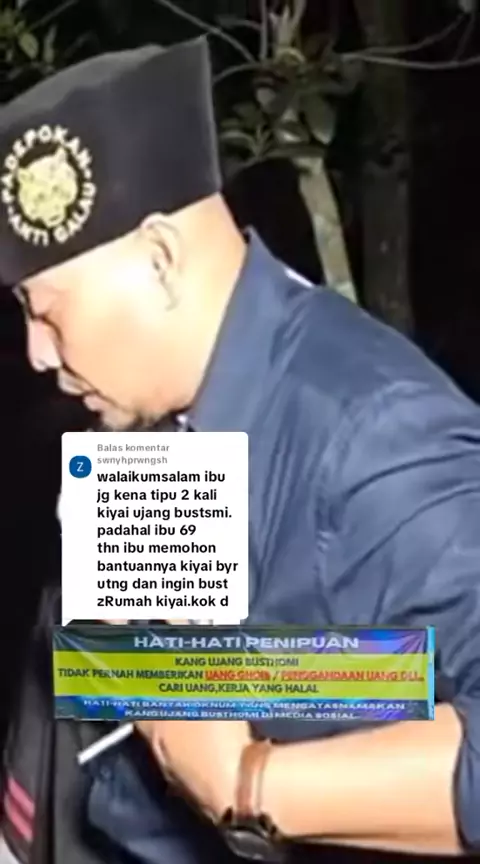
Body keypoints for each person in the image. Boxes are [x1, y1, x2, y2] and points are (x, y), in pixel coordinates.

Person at [1, 34, 480, 864]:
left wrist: (253, 784)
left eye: (47, 311)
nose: (37, 352)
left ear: (159, 261)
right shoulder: (156, 403)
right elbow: (129, 682)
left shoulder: (371, 430)